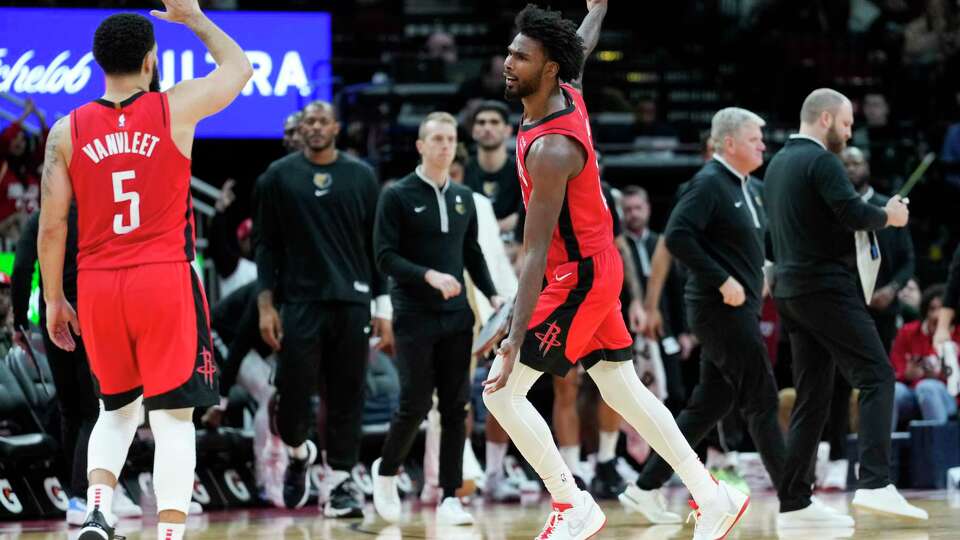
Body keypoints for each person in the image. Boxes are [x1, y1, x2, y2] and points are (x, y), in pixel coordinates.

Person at [481, 4, 749, 540]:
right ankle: (711, 494)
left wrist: (514, 335)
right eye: (510, 52)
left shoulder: (552, 148)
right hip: (596, 269)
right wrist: (597, 8)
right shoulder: (566, 91)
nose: (508, 63)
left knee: (500, 392)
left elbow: (533, 253)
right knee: (622, 388)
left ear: (549, 68)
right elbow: (580, 45)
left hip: (576, 276)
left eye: (521, 57)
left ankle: (571, 503)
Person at [38, 3, 252, 540]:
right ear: (151, 59)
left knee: (115, 411)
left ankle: (98, 512)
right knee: (174, 419)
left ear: (96, 61)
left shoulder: (66, 131)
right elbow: (239, 68)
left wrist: (54, 300)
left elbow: (50, 229)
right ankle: (171, 534)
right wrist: (197, 19)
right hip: (163, 278)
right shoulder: (174, 108)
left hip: (98, 283)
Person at [619, 107, 797, 526]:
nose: (763, 145)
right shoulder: (707, 184)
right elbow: (677, 237)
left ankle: (644, 488)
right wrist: (722, 279)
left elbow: (742, 246)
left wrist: (763, 271)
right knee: (762, 397)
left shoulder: (749, 187)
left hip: (742, 310)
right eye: (755, 139)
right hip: (718, 311)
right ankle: (795, 499)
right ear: (729, 143)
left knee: (708, 405)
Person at [764, 88, 927, 524]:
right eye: (847, 122)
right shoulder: (821, 161)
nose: (850, 131)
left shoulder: (778, 163)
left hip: (791, 292)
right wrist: (888, 215)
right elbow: (853, 213)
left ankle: (794, 502)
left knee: (812, 396)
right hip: (825, 289)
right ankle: (874, 482)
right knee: (876, 375)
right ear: (824, 119)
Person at [255, 100, 390, 517]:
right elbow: (265, 246)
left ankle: (338, 485)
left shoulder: (362, 176)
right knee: (292, 399)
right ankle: (299, 453)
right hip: (299, 303)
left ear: (336, 127)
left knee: (348, 397)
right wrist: (265, 305)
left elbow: (376, 246)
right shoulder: (278, 177)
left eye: (322, 121)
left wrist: (382, 305)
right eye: (309, 121)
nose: (315, 127)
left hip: (352, 301)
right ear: (302, 128)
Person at [372, 111, 502, 526]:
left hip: (457, 317)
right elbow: (384, 256)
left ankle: (450, 494)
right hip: (413, 314)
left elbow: (472, 253)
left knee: (455, 407)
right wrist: (427, 276)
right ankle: (387, 471)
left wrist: (492, 293)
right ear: (421, 146)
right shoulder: (397, 195)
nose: (446, 146)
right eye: (438, 139)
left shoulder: (464, 198)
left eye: (450, 139)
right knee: (412, 403)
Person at [841, 146, 915, 352]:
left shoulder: (891, 208)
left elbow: (908, 260)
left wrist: (891, 289)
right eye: (844, 165)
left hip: (883, 309)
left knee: (880, 374)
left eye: (856, 163)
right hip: (843, 308)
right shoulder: (832, 210)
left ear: (867, 167)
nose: (850, 169)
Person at [891, 284, 959, 427]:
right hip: (911, 394)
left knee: (927, 387)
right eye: (932, 309)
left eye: (941, 309)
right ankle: (885, 447)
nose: (936, 315)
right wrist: (906, 374)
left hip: (948, 397)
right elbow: (894, 371)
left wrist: (942, 376)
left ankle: (938, 446)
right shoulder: (907, 332)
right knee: (894, 390)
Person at [463, 101, 522, 235]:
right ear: (473, 130)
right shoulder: (461, 171)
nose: (487, 128)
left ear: (508, 130)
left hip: (513, 246)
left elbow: (529, 213)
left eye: (494, 122)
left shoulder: (522, 171)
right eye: (481, 122)